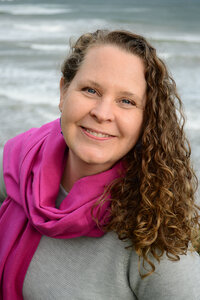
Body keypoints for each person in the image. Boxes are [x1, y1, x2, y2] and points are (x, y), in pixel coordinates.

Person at [0, 29, 200, 300]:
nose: (102, 113)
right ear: (64, 92)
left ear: (146, 120)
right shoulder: (17, 168)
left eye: (126, 101)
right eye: (90, 90)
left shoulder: (156, 237)